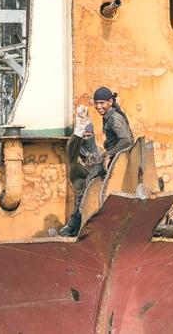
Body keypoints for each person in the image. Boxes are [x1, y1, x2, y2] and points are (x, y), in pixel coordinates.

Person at [49, 105, 102, 237]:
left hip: (98, 190)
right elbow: (72, 146)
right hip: (81, 190)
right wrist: (78, 130)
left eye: (89, 135)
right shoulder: (75, 155)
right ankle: (70, 229)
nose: (86, 138)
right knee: (81, 205)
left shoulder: (100, 152)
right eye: (83, 136)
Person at [92, 87, 133, 173]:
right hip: (116, 155)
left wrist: (109, 155)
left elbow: (126, 140)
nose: (98, 106)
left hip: (119, 158)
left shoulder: (114, 118)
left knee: (92, 176)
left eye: (102, 103)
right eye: (96, 103)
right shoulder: (108, 116)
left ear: (110, 102)